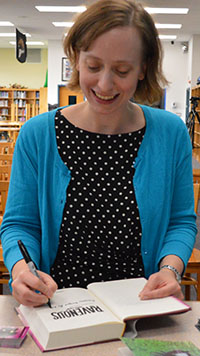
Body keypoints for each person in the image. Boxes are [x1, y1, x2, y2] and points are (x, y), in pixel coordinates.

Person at [0, 0, 197, 307]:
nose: (105, 84)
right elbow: (20, 225)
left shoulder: (170, 134)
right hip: (58, 306)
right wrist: (21, 268)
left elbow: (181, 220)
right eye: (93, 66)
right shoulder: (37, 135)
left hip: (141, 305)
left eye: (121, 70)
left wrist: (170, 267)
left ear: (143, 68)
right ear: (76, 59)